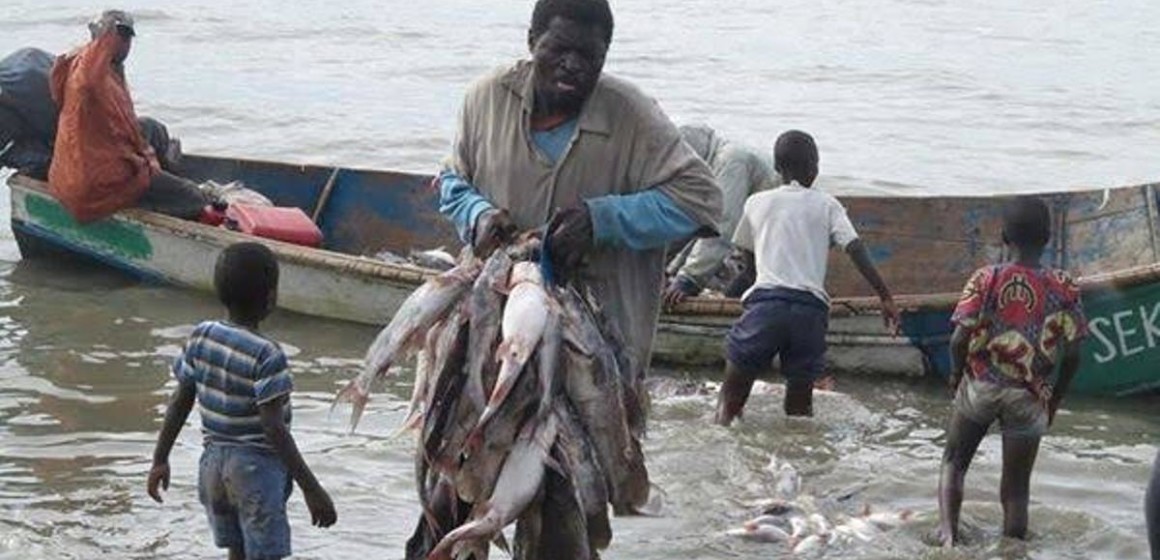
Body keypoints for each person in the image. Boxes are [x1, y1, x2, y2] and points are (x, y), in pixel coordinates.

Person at [437, 0, 722, 425]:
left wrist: (603, 220)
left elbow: (702, 199)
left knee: (589, 477)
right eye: (559, 49)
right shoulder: (485, 99)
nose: (573, 65)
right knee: (470, 469)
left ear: (605, 56)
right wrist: (477, 214)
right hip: (492, 333)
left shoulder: (633, 114)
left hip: (598, 348)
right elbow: (450, 181)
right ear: (533, 42)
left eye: (589, 56)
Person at [146, 242, 336, 560]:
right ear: (271, 297)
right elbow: (274, 429)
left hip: (212, 468)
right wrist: (312, 489)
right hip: (255, 470)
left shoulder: (201, 335)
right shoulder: (267, 354)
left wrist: (160, 459)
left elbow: (181, 398)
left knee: (237, 551)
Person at [715, 130, 898, 425]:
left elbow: (750, 269)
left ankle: (722, 452)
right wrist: (885, 297)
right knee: (800, 411)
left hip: (765, 308)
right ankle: (802, 462)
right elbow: (855, 248)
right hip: (809, 312)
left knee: (730, 400)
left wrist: (729, 296)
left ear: (776, 168)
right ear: (815, 168)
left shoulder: (756, 203)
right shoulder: (828, 204)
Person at [936, 196, 1086, 548]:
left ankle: (947, 537)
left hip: (981, 385)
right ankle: (1012, 550)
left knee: (954, 464)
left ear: (1003, 236)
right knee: (1017, 489)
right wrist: (1055, 398)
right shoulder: (1064, 286)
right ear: (1048, 238)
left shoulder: (986, 278)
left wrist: (957, 375)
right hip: (1030, 395)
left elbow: (959, 339)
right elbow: (1075, 353)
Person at [49, 10, 207, 222]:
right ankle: (149, 210)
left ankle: (164, 181)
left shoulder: (99, 65)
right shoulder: (88, 73)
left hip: (93, 157)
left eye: (127, 38)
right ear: (109, 39)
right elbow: (88, 82)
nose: (126, 44)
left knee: (152, 128)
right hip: (99, 181)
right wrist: (105, 40)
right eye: (120, 37)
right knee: (194, 197)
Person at [664, 124, 776, 306]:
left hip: (778, 244)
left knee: (741, 291)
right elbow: (698, 227)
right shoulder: (714, 169)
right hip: (757, 248)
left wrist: (688, 280)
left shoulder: (731, 162)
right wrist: (670, 269)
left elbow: (721, 228)